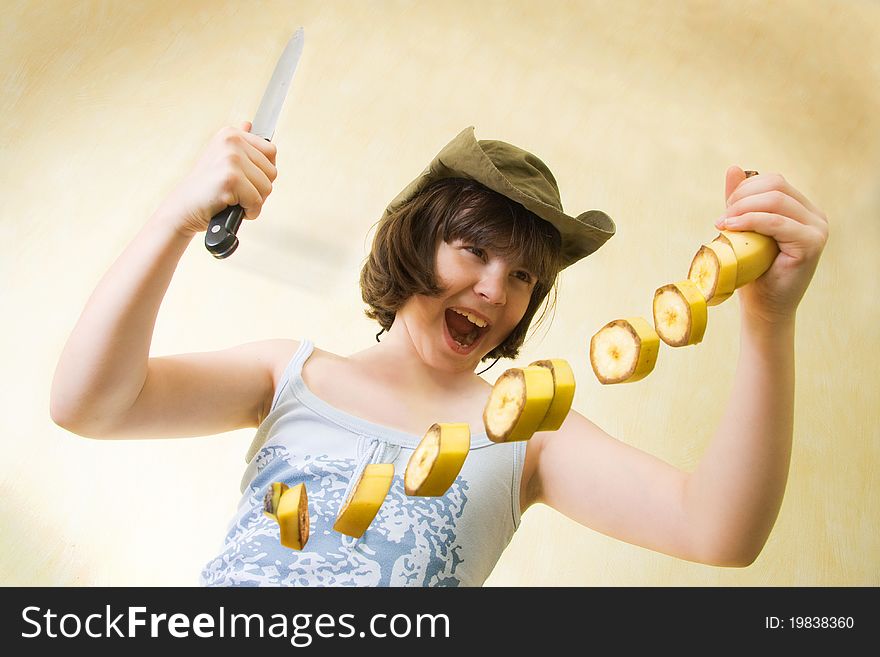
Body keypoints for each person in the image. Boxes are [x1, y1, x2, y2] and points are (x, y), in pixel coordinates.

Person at [50, 122, 829, 586]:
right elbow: (90, 403)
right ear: (416, 238)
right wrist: (175, 220)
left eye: (523, 275)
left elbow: (719, 528)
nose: (496, 290)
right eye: (474, 251)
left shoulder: (530, 433)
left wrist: (768, 319)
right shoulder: (288, 373)